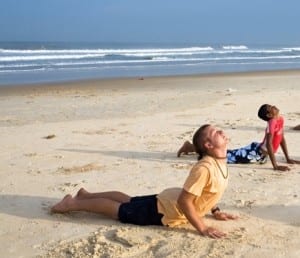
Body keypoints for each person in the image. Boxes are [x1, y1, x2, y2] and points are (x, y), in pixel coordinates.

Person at [51, 124, 238, 239]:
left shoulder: (219, 162)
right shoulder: (205, 168)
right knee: (121, 211)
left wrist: (215, 210)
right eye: (215, 132)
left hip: (167, 200)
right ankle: (73, 203)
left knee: (129, 201)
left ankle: (87, 195)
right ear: (208, 145)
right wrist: (203, 227)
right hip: (166, 210)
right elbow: (185, 201)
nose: (221, 131)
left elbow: (208, 191)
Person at [177, 104, 300, 171]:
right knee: (223, 157)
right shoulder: (271, 124)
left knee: (228, 154)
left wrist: (288, 158)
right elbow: (269, 144)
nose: (273, 107)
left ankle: (191, 147)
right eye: (270, 108)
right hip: (255, 153)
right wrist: (276, 166)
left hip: (260, 153)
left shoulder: (280, 119)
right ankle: (191, 147)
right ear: (269, 115)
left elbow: (281, 138)